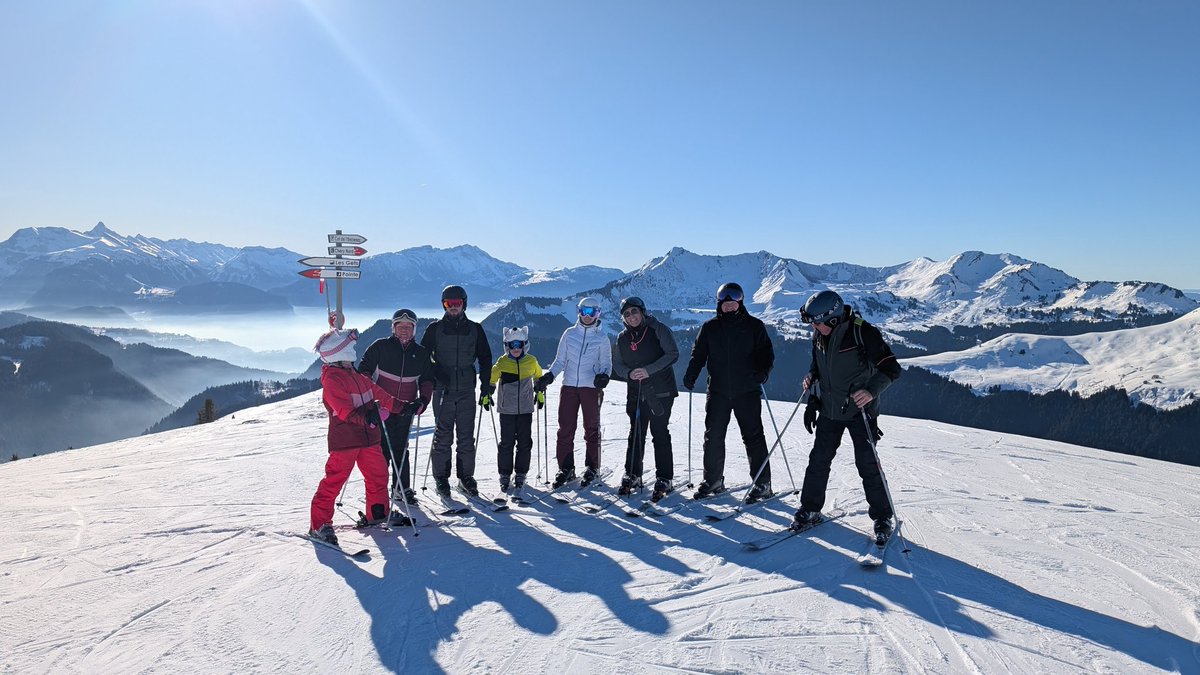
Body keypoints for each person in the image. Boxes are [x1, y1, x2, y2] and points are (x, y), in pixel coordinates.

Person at [793, 290, 902, 539]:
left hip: (860, 412)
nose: (814, 327)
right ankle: (810, 509)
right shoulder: (819, 336)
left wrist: (871, 391)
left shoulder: (863, 332)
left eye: (817, 323)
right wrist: (812, 377)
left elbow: (892, 369)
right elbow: (819, 365)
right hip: (830, 409)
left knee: (868, 465)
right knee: (818, 461)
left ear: (833, 318)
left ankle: (883, 517)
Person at [682, 282, 776, 502]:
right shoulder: (710, 328)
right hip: (718, 391)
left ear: (740, 303)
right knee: (713, 437)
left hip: (747, 390)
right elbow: (698, 356)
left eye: (734, 303)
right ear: (719, 305)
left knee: (753, 437)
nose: (730, 306)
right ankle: (713, 480)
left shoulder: (754, 326)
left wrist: (763, 373)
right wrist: (691, 375)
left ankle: (763, 483)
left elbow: (766, 354)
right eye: (726, 304)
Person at [309, 327, 398, 544]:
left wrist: (403, 407)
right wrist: (369, 417)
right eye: (350, 347)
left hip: (369, 439)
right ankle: (319, 524)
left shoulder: (354, 374)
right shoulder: (333, 379)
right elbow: (345, 411)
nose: (354, 350)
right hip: (346, 441)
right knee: (334, 480)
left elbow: (379, 394)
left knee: (378, 475)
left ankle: (377, 513)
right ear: (340, 353)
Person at [358, 308, 434, 514]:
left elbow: (427, 379)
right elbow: (363, 374)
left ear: (414, 330)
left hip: (405, 409)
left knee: (401, 449)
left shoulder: (421, 354)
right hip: (381, 409)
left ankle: (401, 489)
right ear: (393, 328)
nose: (404, 331)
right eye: (400, 327)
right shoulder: (380, 348)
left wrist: (423, 401)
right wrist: (369, 402)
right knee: (381, 450)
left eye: (409, 327)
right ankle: (379, 491)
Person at [420, 285, 493, 498]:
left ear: (464, 304)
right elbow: (424, 358)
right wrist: (435, 371)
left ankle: (465, 478)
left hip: (466, 389)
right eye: (448, 304)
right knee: (442, 435)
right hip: (442, 390)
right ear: (443, 305)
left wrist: (486, 384)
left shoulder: (475, 329)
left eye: (457, 303)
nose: (452, 307)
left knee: (465, 436)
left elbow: (486, 358)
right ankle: (441, 479)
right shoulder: (435, 329)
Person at [539, 296, 612, 488]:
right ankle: (566, 468)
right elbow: (560, 361)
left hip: (591, 388)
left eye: (592, 312)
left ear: (598, 314)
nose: (588, 316)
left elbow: (606, 364)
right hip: (569, 386)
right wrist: (550, 376)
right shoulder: (569, 334)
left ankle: (592, 468)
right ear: (578, 312)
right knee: (566, 428)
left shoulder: (602, 338)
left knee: (591, 429)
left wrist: (604, 376)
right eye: (584, 311)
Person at [610, 296, 679, 497]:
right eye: (627, 314)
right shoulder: (622, 337)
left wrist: (649, 370)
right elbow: (618, 363)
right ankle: (632, 473)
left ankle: (665, 477)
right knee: (636, 433)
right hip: (637, 392)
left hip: (661, 391)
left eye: (634, 312)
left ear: (643, 311)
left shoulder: (658, 329)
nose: (631, 316)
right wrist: (628, 374)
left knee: (659, 432)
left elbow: (672, 353)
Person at [486, 326, 544, 493]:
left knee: (525, 443)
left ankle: (521, 473)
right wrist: (487, 393)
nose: (516, 348)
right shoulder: (502, 362)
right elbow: (492, 379)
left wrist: (539, 391)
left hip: (525, 409)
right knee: (506, 443)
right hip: (507, 410)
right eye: (512, 345)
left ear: (525, 344)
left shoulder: (531, 361)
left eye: (519, 344)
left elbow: (538, 376)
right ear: (506, 346)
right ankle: (504, 474)